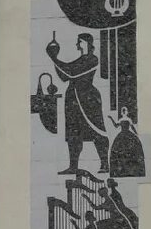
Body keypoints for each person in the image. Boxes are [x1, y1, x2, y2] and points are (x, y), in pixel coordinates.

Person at [46, 32, 110, 175]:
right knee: (73, 133)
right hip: (73, 99)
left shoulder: (92, 59)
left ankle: (105, 163)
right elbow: (64, 75)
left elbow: (71, 73)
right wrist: (55, 58)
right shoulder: (80, 60)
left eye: (79, 42)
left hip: (88, 99)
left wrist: (53, 57)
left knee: (96, 131)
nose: (77, 45)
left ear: (86, 43)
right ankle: (73, 166)